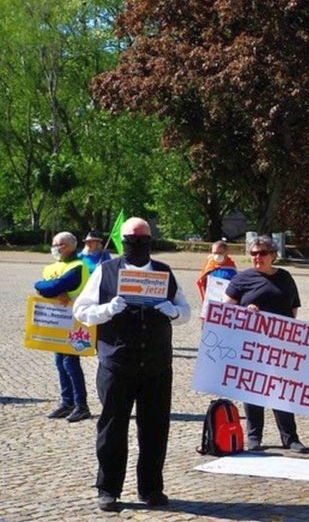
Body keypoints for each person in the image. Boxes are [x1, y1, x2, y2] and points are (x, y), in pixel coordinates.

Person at [72, 217, 191, 512]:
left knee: (155, 427)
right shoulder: (105, 271)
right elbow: (81, 311)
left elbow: (187, 311)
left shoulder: (164, 272)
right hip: (117, 362)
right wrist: (106, 310)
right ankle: (108, 488)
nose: (137, 245)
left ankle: (151, 488)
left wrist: (173, 311)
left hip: (156, 365)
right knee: (112, 428)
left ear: (151, 240)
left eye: (143, 240)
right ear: (121, 241)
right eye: (131, 240)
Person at [223, 235, 308, 454]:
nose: (257, 258)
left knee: (282, 390)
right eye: (253, 254)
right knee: (253, 390)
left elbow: (293, 308)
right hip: (250, 343)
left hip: (279, 343)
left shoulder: (285, 277)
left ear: (273, 255)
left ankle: (290, 438)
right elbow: (225, 311)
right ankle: (254, 436)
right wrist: (244, 312)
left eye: (262, 253)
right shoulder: (242, 279)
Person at [34, 231, 92, 422]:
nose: (54, 248)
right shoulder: (51, 267)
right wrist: (52, 289)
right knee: (59, 362)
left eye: (58, 245)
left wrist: (53, 288)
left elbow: (54, 286)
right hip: (57, 321)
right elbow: (41, 286)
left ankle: (81, 405)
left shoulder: (78, 266)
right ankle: (67, 402)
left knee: (70, 363)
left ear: (68, 246)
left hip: (74, 321)